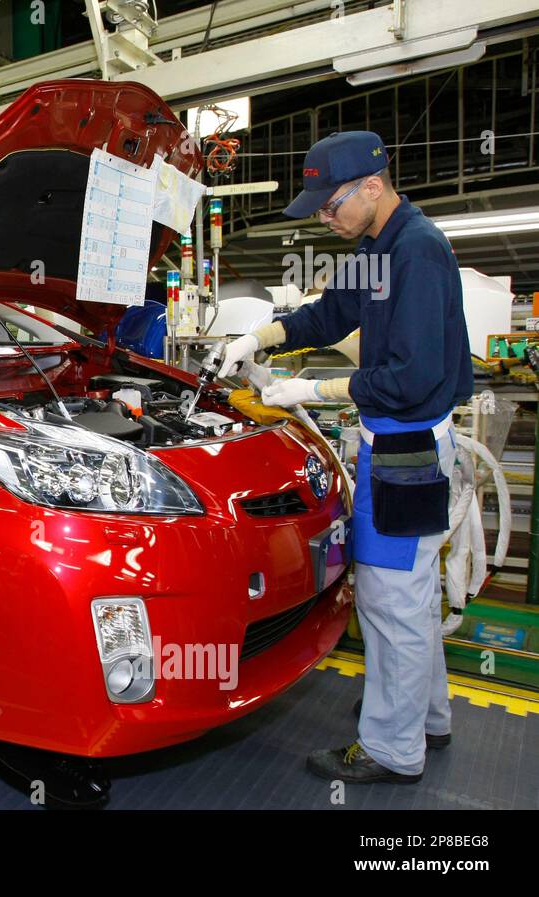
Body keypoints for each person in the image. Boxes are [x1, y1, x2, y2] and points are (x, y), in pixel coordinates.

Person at [217, 131, 472, 784]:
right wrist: (261, 336)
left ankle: (392, 748)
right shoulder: (377, 247)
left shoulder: (417, 252)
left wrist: (312, 388)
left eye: (331, 206)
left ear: (370, 186)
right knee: (408, 595)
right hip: (392, 441)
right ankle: (426, 714)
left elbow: (409, 377)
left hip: (409, 448)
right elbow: (329, 314)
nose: (325, 219)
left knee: (391, 600)